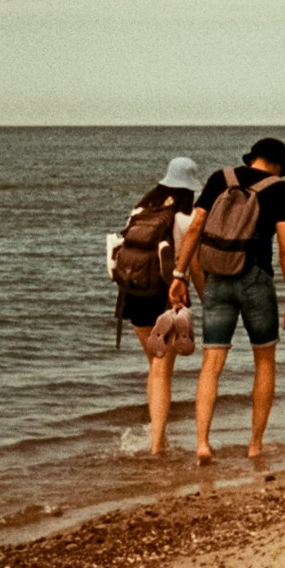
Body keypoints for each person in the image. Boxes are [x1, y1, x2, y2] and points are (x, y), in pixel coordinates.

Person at [172, 136, 285, 463]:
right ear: (276, 164)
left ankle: (202, 444)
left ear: (252, 158)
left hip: (216, 280)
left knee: (211, 364)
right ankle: (255, 445)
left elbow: (195, 228)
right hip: (256, 280)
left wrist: (179, 275)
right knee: (265, 361)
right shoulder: (280, 190)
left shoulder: (220, 178)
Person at [110, 156, 200, 454]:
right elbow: (194, 266)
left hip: (133, 295)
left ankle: (159, 436)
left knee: (154, 366)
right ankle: (157, 445)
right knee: (163, 370)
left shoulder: (139, 210)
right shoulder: (185, 220)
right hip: (165, 298)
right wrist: (205, 297)